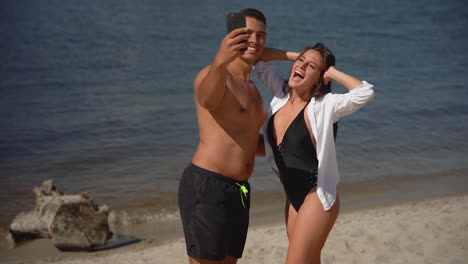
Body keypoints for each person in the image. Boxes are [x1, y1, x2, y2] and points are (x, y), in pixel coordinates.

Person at [255, 43, 375, 263]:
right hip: (292, 197)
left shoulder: (325, 105)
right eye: (301, 61)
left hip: (317, 194)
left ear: (319, 78)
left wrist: (332, 73)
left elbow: (364, 92)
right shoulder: (280, 94)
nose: (301, 66)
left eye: (311, 66)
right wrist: (295, 56)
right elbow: (259, 58)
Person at [178, 8, 276, 264]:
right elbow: (207, 99)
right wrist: (220, 60)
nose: (255, 40)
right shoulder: (213, 75)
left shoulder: (254, 91)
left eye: (261, 35)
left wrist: (295, 145)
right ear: (232, 37)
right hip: (207, 184)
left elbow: (250, 143)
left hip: (241, 189)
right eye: (248, 34)